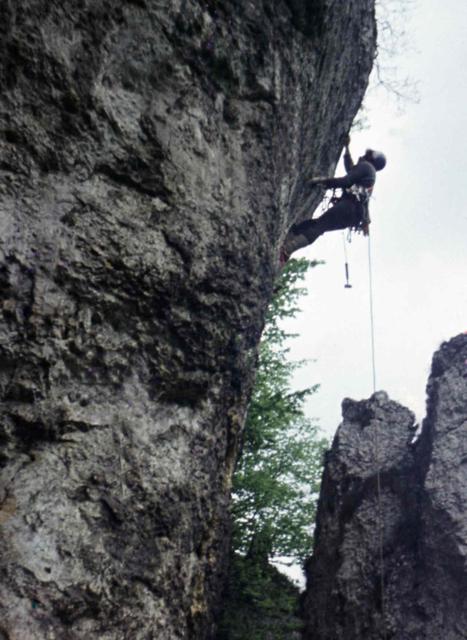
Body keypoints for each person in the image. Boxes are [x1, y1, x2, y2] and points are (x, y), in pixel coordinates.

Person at [281, 139, 386, 261]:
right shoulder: (370, 174)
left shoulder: (366, 167)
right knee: (318, 224)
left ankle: (287, 250)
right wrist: (346, 149)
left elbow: (346, 181)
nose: (362, 155)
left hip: (349, 208)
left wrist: (322, 182)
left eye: (366, 154)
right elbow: (351, 171)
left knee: (319, 226)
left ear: (370, 158)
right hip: (353, 215)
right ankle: (294, 231)